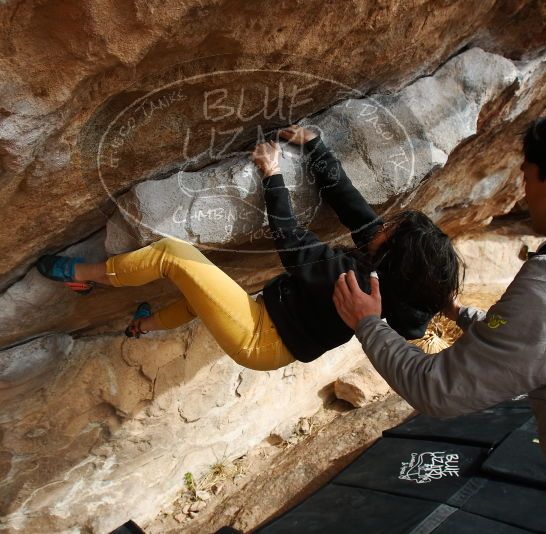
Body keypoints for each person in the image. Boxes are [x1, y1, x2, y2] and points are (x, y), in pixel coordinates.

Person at [332, 99, 546, 533]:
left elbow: (439, 389)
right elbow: (543, 339)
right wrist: (454, 312)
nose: (523, 193)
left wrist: (368, 323)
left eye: (526, 177)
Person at [36, 125, 461, 371]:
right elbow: (348, 201)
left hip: (261, 339)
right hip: (275, 321)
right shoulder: (397, 282)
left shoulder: (353, 284)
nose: (382, 225)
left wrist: (272, 173)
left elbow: (292, 242)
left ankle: (83, 277)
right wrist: (314, 144)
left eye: (391, 229)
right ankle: (142, 325)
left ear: (393, 256)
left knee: (171, 255)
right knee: (200, 292)